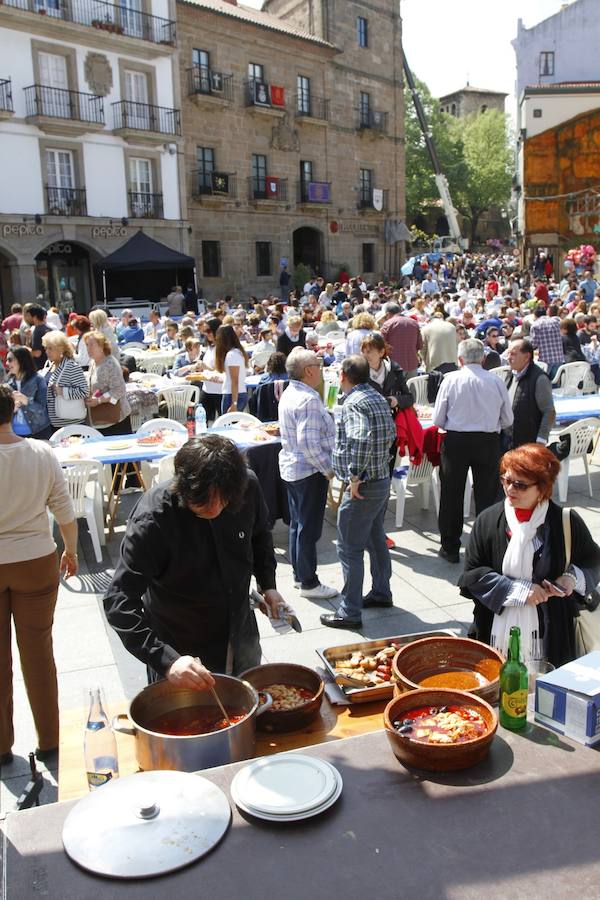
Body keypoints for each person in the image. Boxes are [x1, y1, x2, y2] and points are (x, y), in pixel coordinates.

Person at [104, 435, 284, 682]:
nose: (214, 509)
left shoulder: (247, 486)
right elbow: (119, 600)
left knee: (250, 707)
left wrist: (268, 584)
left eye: (223, 501)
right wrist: (166, 660)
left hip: (241, 634)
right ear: (182, 487)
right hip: (180, 645)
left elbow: (260, 535)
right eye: (202, 503)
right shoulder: (153, 518)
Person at [459, 444, 600, 667]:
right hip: (494, 631)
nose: (510, 489)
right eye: (505, 480)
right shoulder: (487, 521)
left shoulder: (566, 521)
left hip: (552, 635)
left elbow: (593, 560)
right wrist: (519, 591)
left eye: (520, 485)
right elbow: (472, 576)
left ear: (542, 488)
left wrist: (570, 579)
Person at [0, 384, 78, 766]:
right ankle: (49, 740)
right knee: (38, 656)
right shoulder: (41, 452)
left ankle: (1, 746)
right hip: (35, 559)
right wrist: (72, 549)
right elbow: (64, 508)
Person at [320, 355, 396, 629]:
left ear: (343, 376)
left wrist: (355, 476)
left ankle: (350, 611)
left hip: (365, 484)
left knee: (349, 548)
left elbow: (360, 437)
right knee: (375, 539)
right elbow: (388, 434)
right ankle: (381, 592)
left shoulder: (353, 402)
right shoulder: (375, 396)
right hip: (380, 480)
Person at [433, 338, 514, 563]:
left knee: (451, 494)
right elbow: (508, 418)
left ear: (460, 360)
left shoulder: (451, 380)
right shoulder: (495, 381)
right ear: (484, 359)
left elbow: (438, 418)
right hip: (487, 440)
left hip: (456, 440)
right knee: (487, 495)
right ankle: (487, 547)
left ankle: (450, 547)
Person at [278, 348, 337, 600]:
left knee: (298, 525)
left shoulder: (292, 392)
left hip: (294, 468)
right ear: (309, 371)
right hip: (308, 470)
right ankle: (309, 582)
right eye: (318, 364)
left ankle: (299, 575)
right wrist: (327, 469)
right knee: (307, 529)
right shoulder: (308, 399)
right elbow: (309, 444)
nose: (321, 369)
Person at [502, 338, 555, 449]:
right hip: (508, 440)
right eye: (508, 354)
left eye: (513, 354)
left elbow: (549, 411)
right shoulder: (510, 374)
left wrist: (541, 439)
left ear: (527, 357)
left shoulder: (539, 379)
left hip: (528, 442)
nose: (509, 358)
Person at [84, 330, 132, 434]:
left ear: (101, 347)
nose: (88, 348)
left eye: (92, 345)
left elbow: (119, 390)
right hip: (100, 419)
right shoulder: (93, 362)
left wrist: (99, 400)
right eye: (87, 345)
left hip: (115, 420)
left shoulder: (110, 363)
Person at [42, 330, 88, 430]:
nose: (47, 351)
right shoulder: (50, 365)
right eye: (46, 348)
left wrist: (63, 391)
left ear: (61, 349)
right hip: (54, 424)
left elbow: (84, 391)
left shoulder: (71, 367)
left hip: (71, 425)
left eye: (50, 348)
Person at [361, 332, 414, 415]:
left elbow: (409, 398)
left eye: (369, 351)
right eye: (363, 352)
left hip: (393, 420)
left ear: (381, 352)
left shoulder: (394, 369)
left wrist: (396, 400)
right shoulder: (358, 371)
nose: (365, 355)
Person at [6, 346, 52, 439]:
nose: (7, 363)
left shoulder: (38, 380)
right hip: (15, 435)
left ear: (21, 360)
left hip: (38, 432)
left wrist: (26, 401)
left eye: (10, 360)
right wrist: (11, 409)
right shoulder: (8, 383)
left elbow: (42, 408)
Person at [209, 324, 249, 414]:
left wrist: (234, 404)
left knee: (228, 425)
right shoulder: (236, 352)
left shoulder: (232, 355)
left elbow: (235, 380)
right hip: (236, 394)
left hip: (233, 396)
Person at [380, 302, 422, 379]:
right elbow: (419, 345)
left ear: (387, 314)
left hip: (395, 367)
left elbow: (381, 346)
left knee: (395, 390)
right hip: (412, 364)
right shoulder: (414, 323)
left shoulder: (387, 324)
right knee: (411, 390)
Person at [530, 306, 564, 379]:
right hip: (559, 358)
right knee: (556, 384)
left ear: (535, 315)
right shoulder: (557, 321)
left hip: (545, 360)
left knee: (545, 383)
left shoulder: (535, 325)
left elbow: (533, 345)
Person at [28, 305, 52, 371]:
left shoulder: (37, 331)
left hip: (41, 368)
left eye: (29, 316)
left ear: (35, 317)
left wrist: (25, 350)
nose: (28, 318)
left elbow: (37, 353)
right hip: (50, 365)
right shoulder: (49, 329)